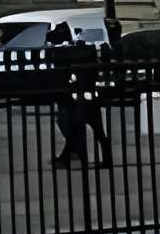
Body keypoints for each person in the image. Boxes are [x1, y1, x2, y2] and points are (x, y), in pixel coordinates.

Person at [48, 23, 113, 171]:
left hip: (84, 99)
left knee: (78, 129)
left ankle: (66, 158)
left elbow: (75, 77)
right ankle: (70, 157)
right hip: (89, 98)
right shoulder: (88, 59)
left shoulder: (79, 60)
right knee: (94, 130)